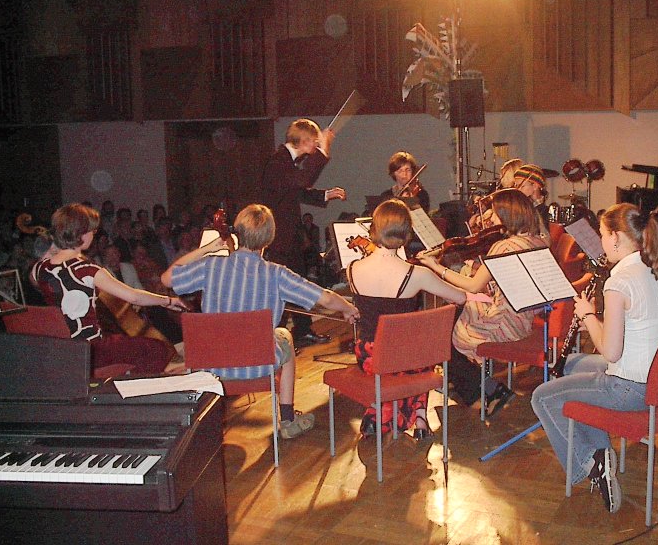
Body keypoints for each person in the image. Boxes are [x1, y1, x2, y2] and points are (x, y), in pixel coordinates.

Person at [162, 203, 359, 439]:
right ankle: (287, 419)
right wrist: (348, 308)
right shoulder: (277, 273)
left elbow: (167, 279)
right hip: (258, 365)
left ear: (236, 233)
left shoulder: (211, 266)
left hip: (211, 366)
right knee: (285, 336)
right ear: (269, 239)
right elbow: (325, 298)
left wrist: (207, 249)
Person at [531, 203, 658, 514]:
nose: (600, 240)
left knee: (542, 397)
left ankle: (592, 461)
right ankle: (600, 450)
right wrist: (596, 321)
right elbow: (631, 335)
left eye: (602, 234)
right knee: (571, 365)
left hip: (628, 388)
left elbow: (611, 352)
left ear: (616, 237)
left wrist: (587, 316)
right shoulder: (657, 273)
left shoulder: (619, 282)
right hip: (657, 379)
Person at [347, 199, 482, 438]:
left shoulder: (352, 268)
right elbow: (460, 298)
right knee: (423, 346)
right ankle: (420, 417)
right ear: (407, 233)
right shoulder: (417, 274)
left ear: (374, 229)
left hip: (369, 356)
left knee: (409, 355)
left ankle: (383, 412)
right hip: (406, 357)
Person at [419, 189, 548, 415]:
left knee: (442, 330)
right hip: (523, 319)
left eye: (495, 213)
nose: (491, 218)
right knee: (453, 318)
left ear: (507, 215)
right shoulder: (538, 241)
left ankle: (485, 389)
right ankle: (469, 382)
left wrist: (436, 267)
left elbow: (473, 286)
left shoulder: (504, 247)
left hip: (505, 323)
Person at [31, 203, 182, 376]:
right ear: (81, 233)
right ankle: (131, 385)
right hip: (91, 348)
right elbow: (134, 297)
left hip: (63, 346)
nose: (93, 235)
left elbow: (38, 281)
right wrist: (168, 300)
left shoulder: (39, 268)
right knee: (157, 348)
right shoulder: (87, 269)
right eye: (92, 230)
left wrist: (54, 248)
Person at [260, 118, 346, 347]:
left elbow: (297, 190)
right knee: (280, 287)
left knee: (297, 282)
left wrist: (325, 195)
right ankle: (274, 340)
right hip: (278, 237)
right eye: (314, 141)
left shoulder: (286, 162)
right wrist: (324, 151)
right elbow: (301, 180)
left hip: (289, 235)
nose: (317, 144)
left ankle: (302, 331)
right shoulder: (278, 162)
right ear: (304, 140)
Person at [513, 164, 551, 245]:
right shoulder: (523, 210)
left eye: (521, 186)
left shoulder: (545, 212)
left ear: (535, 186)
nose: (517, 190)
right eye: (515, 186)